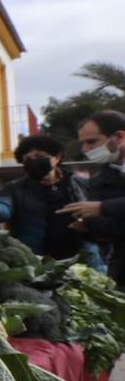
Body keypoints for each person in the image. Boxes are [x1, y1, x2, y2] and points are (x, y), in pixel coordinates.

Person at [0, 135, 100, 261]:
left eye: (39, 156)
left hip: (81, 260)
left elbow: (100, 210)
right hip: (34, 263)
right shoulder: (15, 188)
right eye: (27, 158)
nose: (33, 161)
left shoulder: (81, 184)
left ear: (57, 157)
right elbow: (4, 203)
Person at [70, 110, 125, 283]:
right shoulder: (100, 179)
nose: (85, 149)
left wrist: (104, 208)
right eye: (83, 143)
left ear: (119, 136)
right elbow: (98, 225)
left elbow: (99, 212)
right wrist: (89, 227)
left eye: (92, 141)